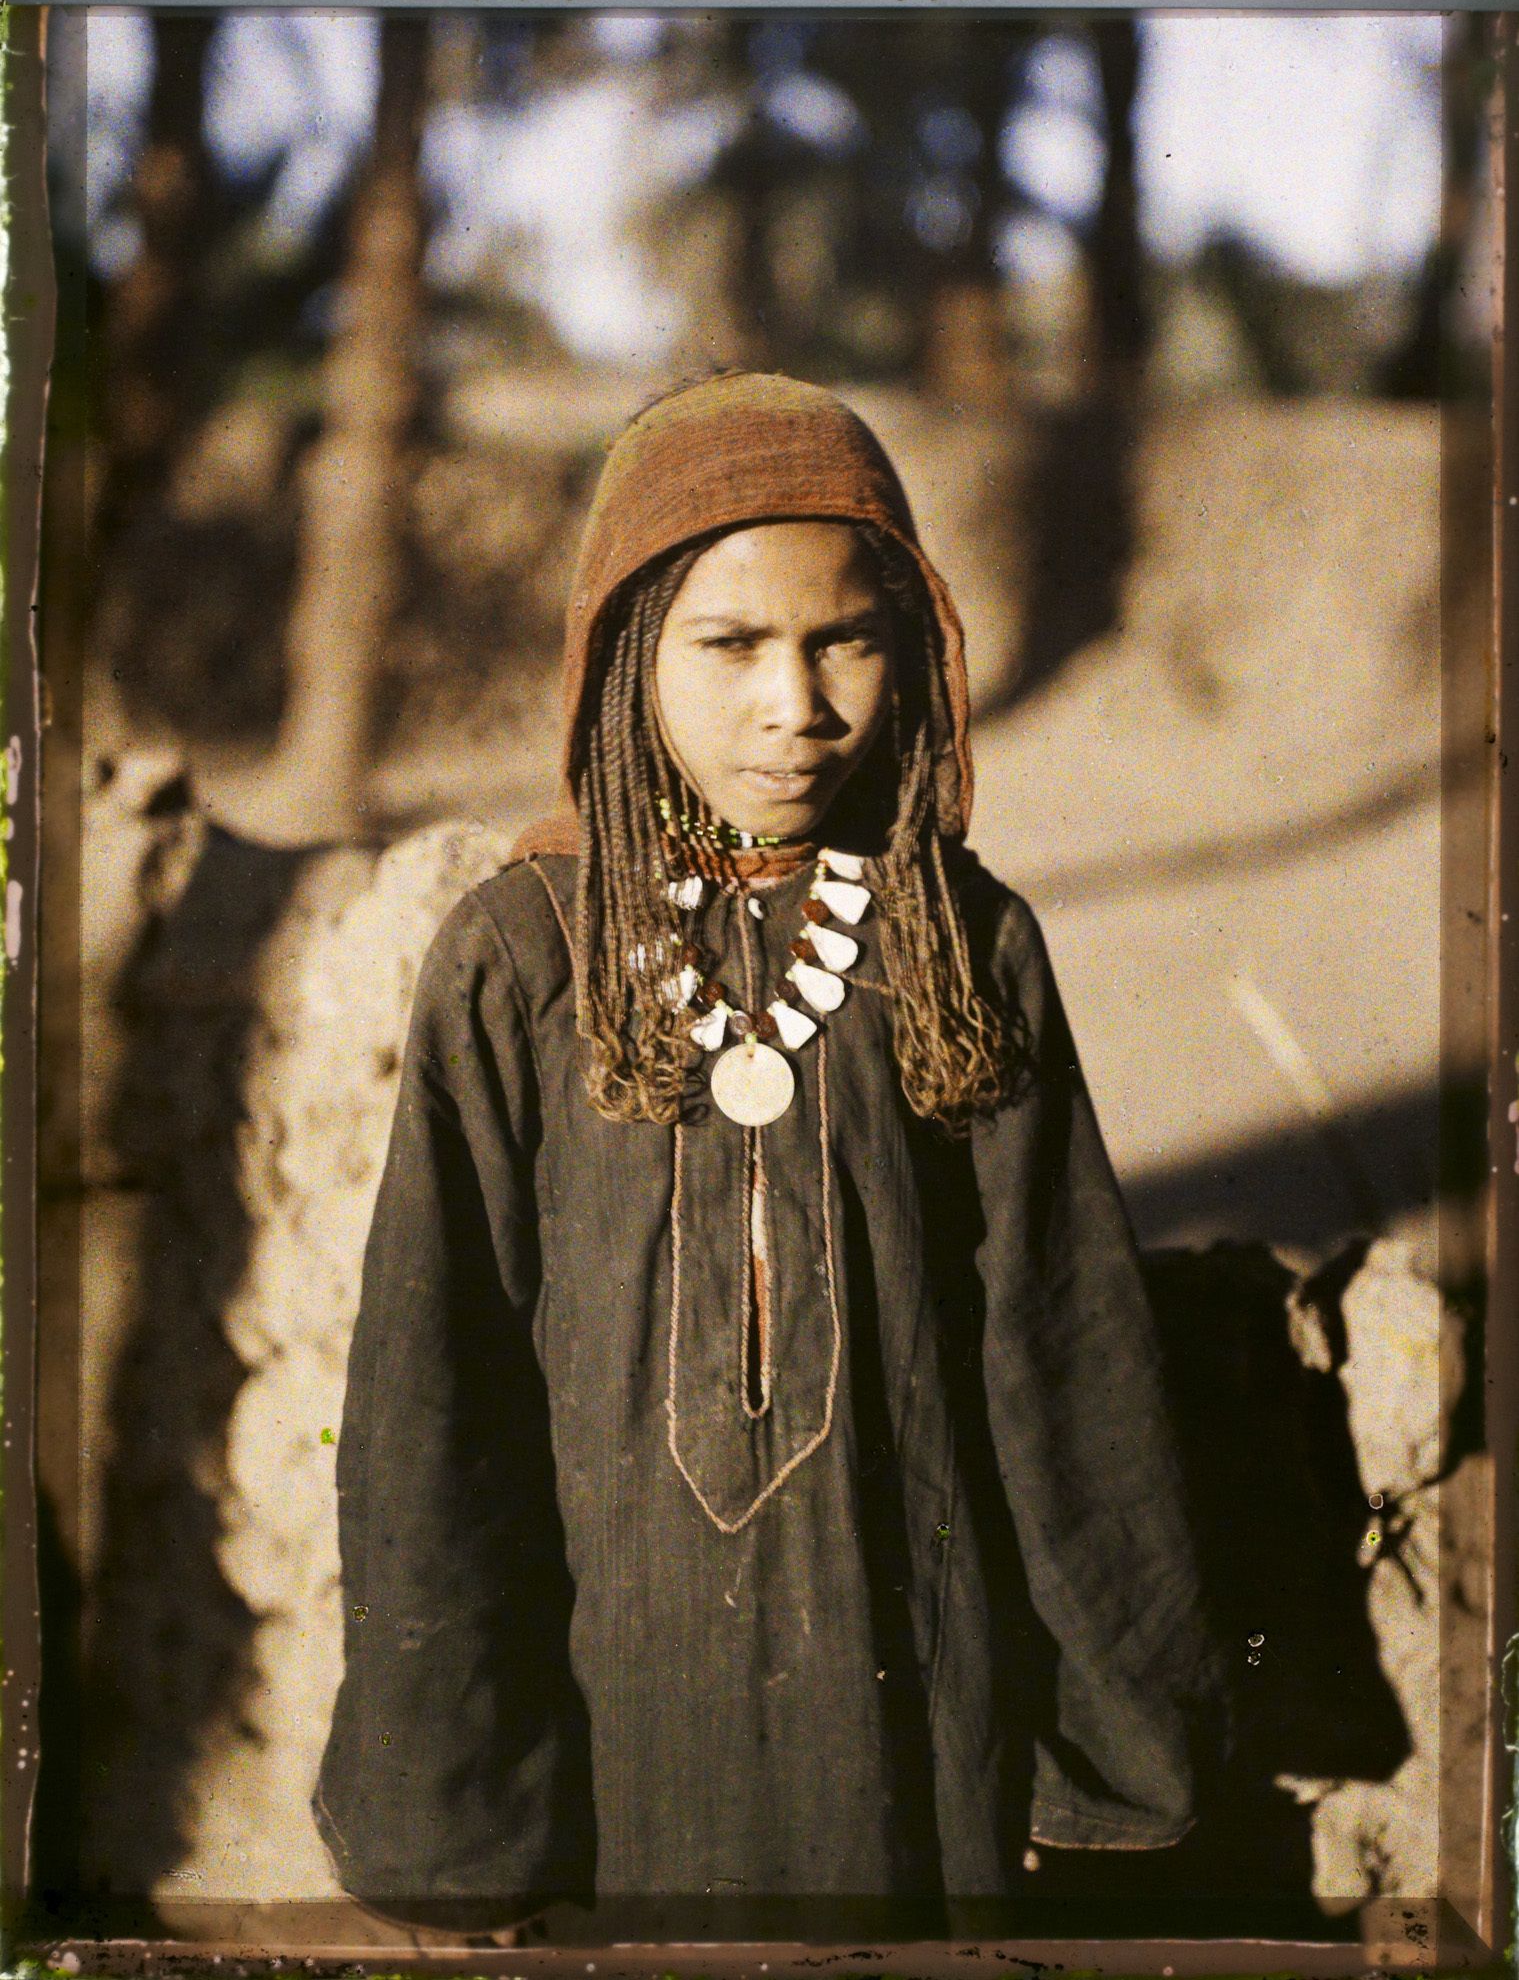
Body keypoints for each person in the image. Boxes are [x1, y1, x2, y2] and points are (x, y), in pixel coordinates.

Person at [313, 372, 1230, 1941]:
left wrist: (1113, 1765)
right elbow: (433, 1399)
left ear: (913, 648)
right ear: (625, 658)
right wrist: (454, 1809)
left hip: (911, 1719)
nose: (793, 706)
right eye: (729, 647)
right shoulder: (524, 961)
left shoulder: (960, 940)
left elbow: (1065, 1359)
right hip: (619, 1742)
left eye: (843, 641)